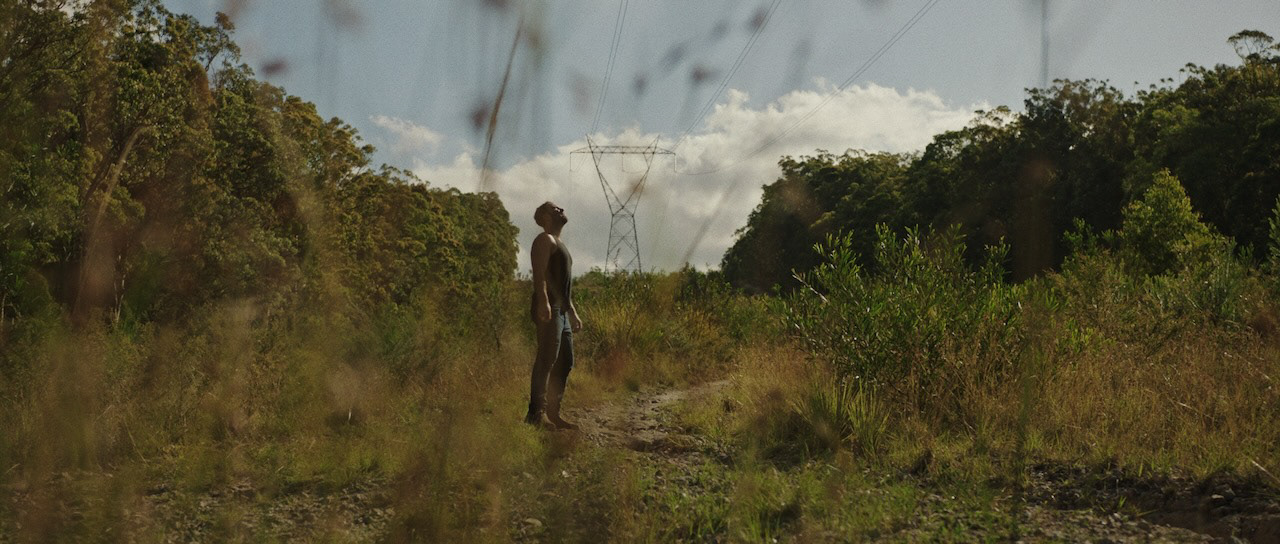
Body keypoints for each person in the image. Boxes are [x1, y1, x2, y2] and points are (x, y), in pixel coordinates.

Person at [526, 201, 583, 429]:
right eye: (555, 209)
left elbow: (562, 285)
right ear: (546, 217)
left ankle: (553, 412)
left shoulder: (560, 244)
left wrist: (572, 312)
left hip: (561, 310)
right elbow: (539, 274)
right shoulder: (545, 240)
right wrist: (543, 301)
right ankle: (536, 414)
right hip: (549, 308)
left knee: (565, 361)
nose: (561, 209)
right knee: (547, 358)